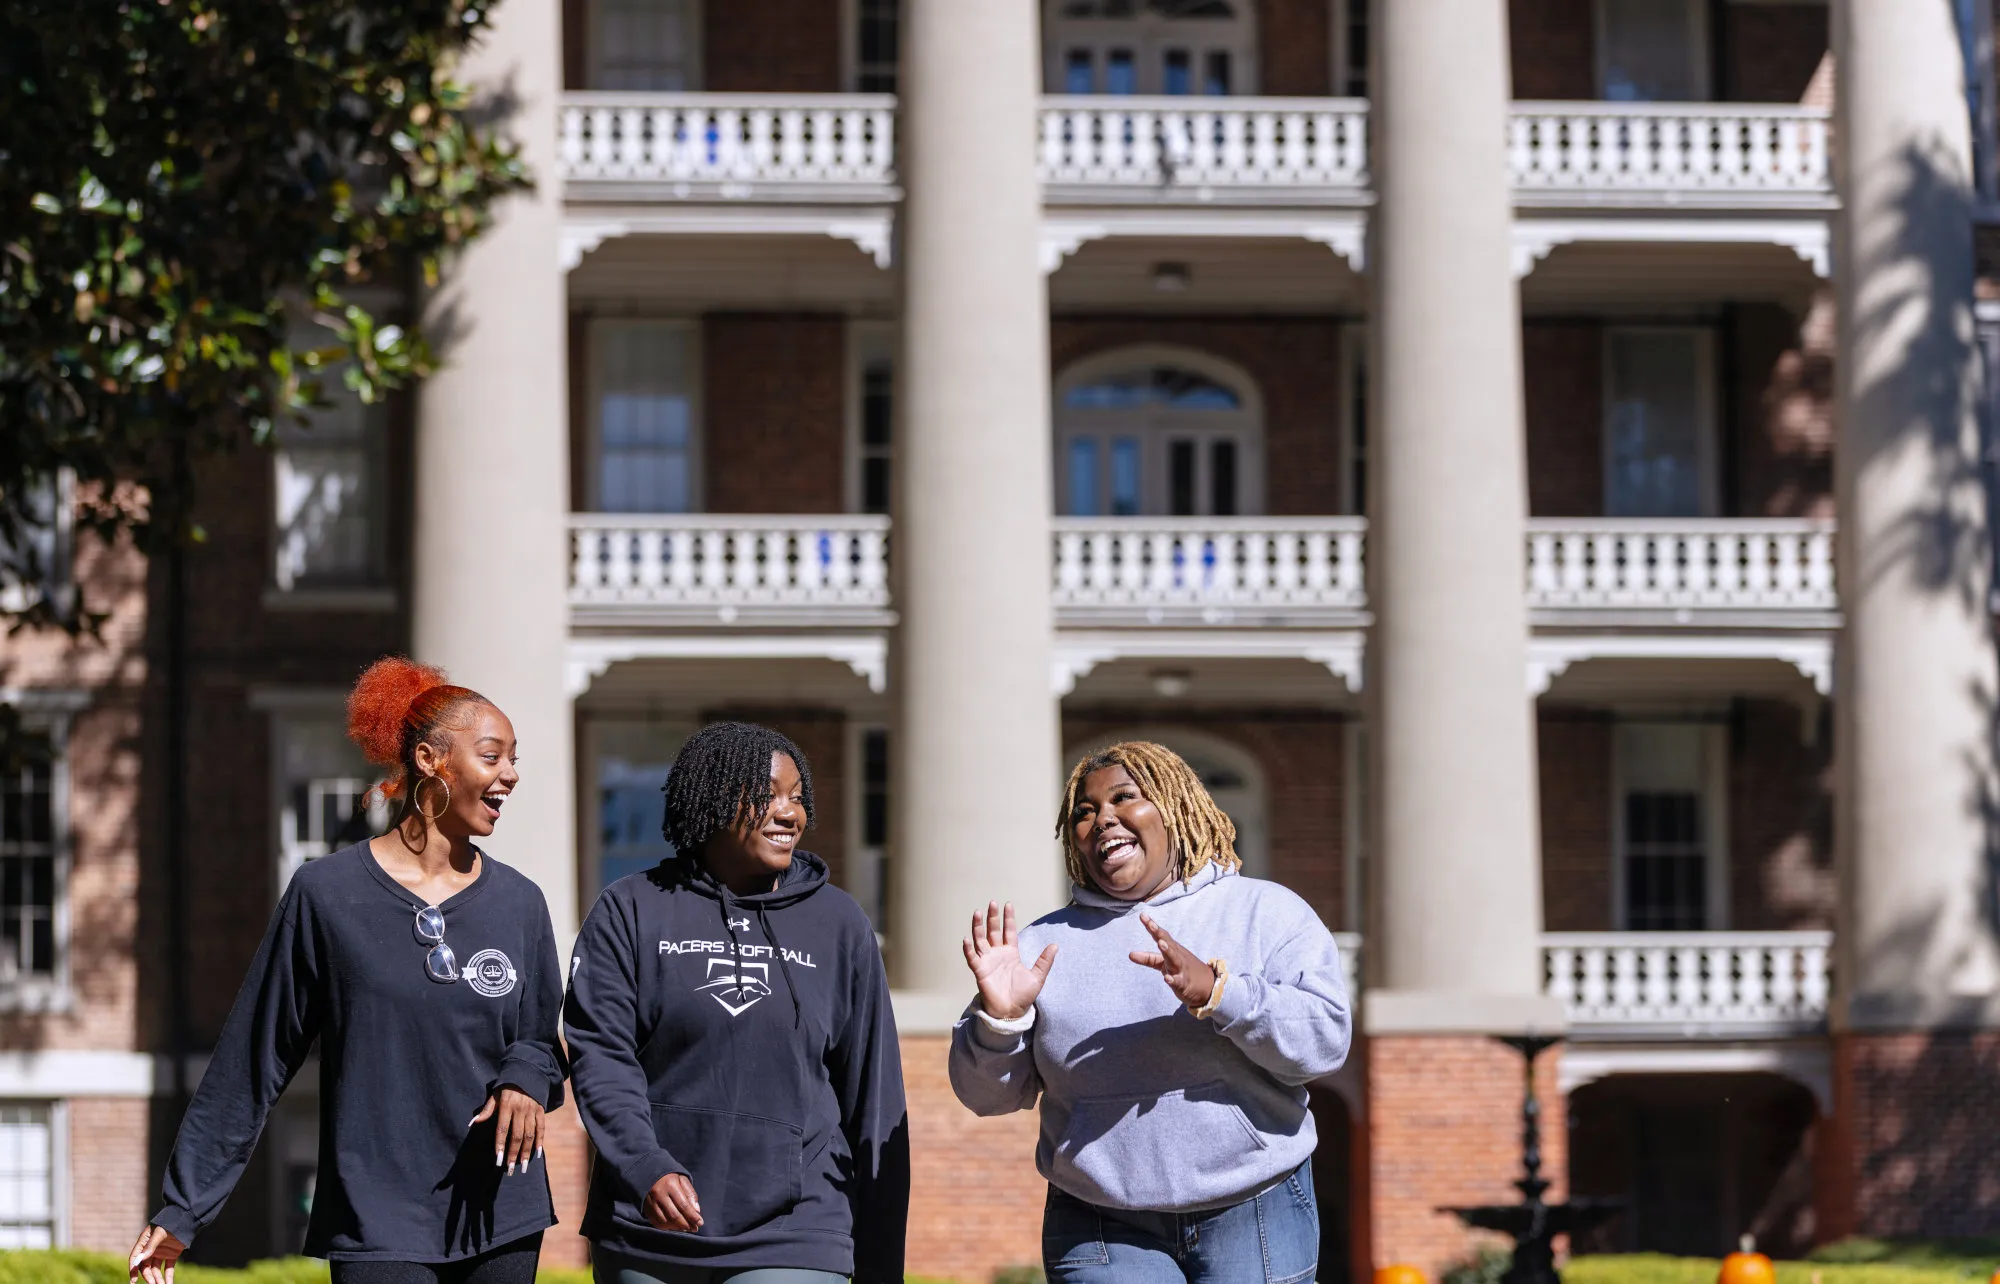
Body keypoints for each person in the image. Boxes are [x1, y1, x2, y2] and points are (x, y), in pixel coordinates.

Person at [128, 657, 567, 1284]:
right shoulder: (325, 895)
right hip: (375, 1215)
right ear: (430, 762)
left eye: (514, 759)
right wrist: (183, 1208)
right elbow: (254, 1058)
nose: (512, 776)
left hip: (497, 1211)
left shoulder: (520, 902)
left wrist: (524, 1082)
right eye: (493, 757)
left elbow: (540, 1040)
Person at [949, 740, 1352, 1284]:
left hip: (1253, 1203)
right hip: (1100, 1217)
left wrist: (1221, 993)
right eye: (1084, 812)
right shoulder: (1039, 947)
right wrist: (1000, 1022)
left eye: (1124, 798)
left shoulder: (1265, 911)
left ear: (1174, 808)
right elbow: (986, 1096)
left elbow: (1323, 1044)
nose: (1102, 819)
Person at [564, 721, 909, 1284]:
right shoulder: (631, 909)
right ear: (712, 799)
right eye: (766, 795)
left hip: (797, 1233)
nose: (789, 813)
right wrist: (643, 1166)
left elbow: (873, 1096)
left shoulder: (839, 924)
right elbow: (600, 1056)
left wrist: (881, 1264)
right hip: (652, 1231)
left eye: (797, 798)